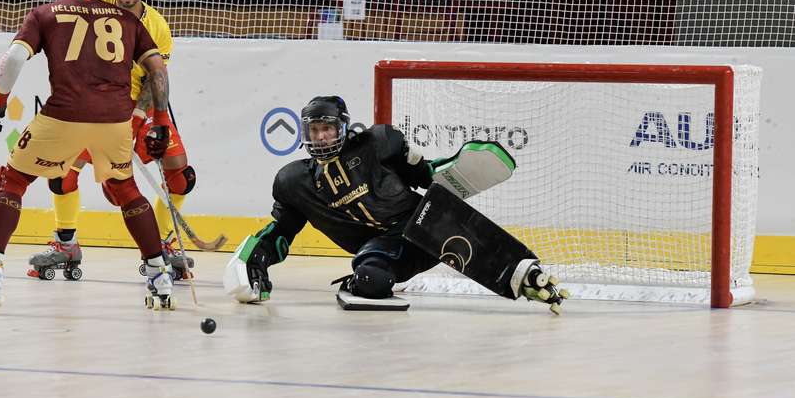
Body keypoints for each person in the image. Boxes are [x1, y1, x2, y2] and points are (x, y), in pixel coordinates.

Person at [0, 0, 177, 312]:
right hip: (115, 121)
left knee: (12, 180)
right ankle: (158, 273)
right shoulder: (127, 19)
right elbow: (157, 71)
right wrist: (161, 121)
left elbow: (13, 59)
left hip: (63, 116)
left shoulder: (45, 13)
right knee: (126, 189)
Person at [223, 96, 569, 314]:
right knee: (371, 278)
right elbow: (281, 231)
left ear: (343, 127)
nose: (320, 136)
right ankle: (359, 281)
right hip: (385, 249)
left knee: (448, 228)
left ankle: (528, 275)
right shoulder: (293, 181)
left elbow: (425, 175)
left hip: (423, 224)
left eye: (327, 128)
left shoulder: (378, 143)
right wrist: (255, 259)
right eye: (314, 130)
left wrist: (451, 168)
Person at [27, 0, 195, 281]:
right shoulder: (93, 9)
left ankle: (164, 243)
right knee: (61, 174)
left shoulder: (158, 25)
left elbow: (155, 80)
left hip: (141, 108)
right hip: (97, 108)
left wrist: (137, 118)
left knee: (181, 175)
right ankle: (66, 244)